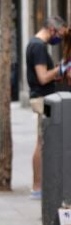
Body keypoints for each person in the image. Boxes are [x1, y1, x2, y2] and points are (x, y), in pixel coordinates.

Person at [26, 16, 67, 199]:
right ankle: (37, 187)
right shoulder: (39, 46)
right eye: (59, 33)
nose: (59, 38)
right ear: (52, 29)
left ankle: (38, 186)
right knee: (43, 142)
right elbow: (42, 77)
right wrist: (62, 69)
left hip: (42, 97)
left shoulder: (34, 44)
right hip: (42, 99)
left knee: (43, 141)